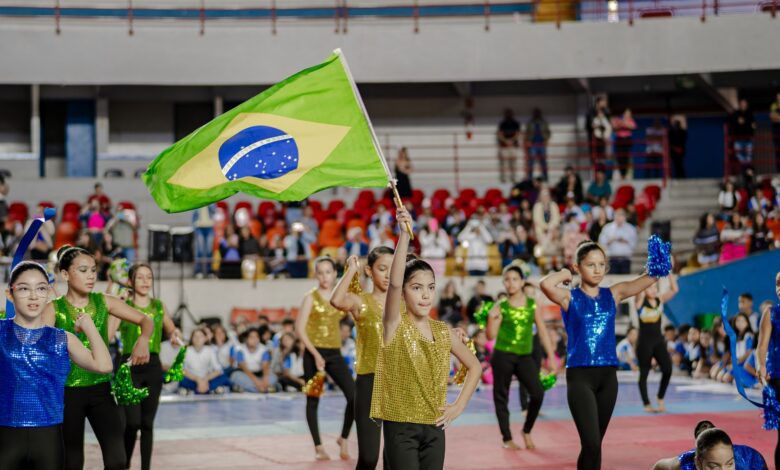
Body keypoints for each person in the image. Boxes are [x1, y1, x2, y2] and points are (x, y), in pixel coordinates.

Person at [370, 207, 480, 469]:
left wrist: (457, 407)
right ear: (405, 293)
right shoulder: (394, 325)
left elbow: (475, 366)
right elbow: (394, 284)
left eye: (430, 288)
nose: (425, 295)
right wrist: (404, 236)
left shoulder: (444, 331)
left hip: (434, 427)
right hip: (401, 428)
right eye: (416, 288)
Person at [540, 240, 666, 470]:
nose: (598, 270)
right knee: (591, 442)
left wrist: (661, 263)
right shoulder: (570, 297)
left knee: (596, 444)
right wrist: (563, 273)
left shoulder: (614, 294)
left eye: (601, 264)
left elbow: (647, 280)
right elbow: (546, 284)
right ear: (578, 267)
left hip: (608, 378)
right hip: (580, 377)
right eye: (590, 264)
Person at [42, 246, 154, 470]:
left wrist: (143, 341)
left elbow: (146, 321)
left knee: (117, 460)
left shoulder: (104, 302)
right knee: (72, 462)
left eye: (93, 270)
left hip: (101, 390)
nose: (91, 275)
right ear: (65, 274)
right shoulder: (54, 309)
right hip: (67, 393)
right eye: (83, 270)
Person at [0, 261, 113, 470]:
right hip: (5, 437)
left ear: (48, 292)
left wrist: (89, 327)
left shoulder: (62, 338)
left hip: (48, 439)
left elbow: (104, 365)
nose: (34, 296)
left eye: (41, 288)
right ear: (10, 294)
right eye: (24, 288)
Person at [331, 246, 398, 469]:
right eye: (382, 268)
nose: (388, 274)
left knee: (395, 456)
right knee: (369, 458)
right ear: (370, 271)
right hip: (369, 382)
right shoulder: (361, 302)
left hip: (399, 382)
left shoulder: (404, 302)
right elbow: (337, 300)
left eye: (392, 268)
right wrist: (351, 270)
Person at [115, 263, 182, 470]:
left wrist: (175, 335)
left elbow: (171, 329)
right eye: (140, 277)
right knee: (132, 423)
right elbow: (109, 333)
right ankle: (125, 462)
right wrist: (115, 307)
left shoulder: (158, 306)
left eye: (149, 277)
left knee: (147, 424)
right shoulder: (123, 305)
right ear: (130, 282)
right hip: (129, 366)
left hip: (153, 366)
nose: (145, 281)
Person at [486, 264, 558, 450]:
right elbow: (490, 336)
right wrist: (491, 319)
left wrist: (551, 357)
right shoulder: (499, 306)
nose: (511, 283)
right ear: (503, 282)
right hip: (502, 355)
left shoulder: (532, 304)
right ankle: (507, 438)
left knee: (538, 393)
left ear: (522, 281)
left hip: (525, 356)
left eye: (515, 279)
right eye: (507, 280)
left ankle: (526, 430)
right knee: (501, 397)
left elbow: (542, 331)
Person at [295, 257, 355, 461]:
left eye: (328, 272)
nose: (324, 277)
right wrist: (316, 355)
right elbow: (300, 330)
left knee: (354, 396)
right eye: (320, 272)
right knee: (313, 400)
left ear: (334, 273)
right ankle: (319, 446)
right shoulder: (310, 298)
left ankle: (344, 438)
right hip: (314, 354)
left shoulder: (339, 296)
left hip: (334, 353)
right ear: (315, 275)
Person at [635, 276, 679, 413]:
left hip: (658, 341)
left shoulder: (660, 300)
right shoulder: (640, 301)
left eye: (655, 287)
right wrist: (644, 283)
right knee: (644, 373)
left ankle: (660, 397)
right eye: (649, 287)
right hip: (644, 343)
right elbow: (638, 289)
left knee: (667, 369)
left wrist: (669, 272)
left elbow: (675, 289)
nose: (653, 290)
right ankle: (646, 403)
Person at [652, 420, 766, 470]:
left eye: (730, 464)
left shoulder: (751, 460)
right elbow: (659, 466)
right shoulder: (683, 464)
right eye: (714, 466)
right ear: (698, 463)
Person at [756, 271, 780, 468]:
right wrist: (761, 366)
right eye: (778, 285)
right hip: (777, 377)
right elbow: (761, 346)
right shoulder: (770, 313)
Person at [179, 328, 230, 394]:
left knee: (224, 378)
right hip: (192, 378)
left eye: (200, 336)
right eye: (195, 336)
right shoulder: (185, 350)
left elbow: (218, 370)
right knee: (180, 379)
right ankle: (211, 389)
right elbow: (182, 370)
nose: (198, 339)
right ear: (191, 338)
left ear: (205, 338)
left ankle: (194, 390)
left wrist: (205, 379)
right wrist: (197, 379)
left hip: (207, 378)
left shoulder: (210, 350)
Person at [598, 208, 638, 274]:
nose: (619, 218)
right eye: (617, 215)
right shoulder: (607, 228)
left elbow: (634, 243)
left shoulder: (631, 228)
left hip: (625, 259)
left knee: (625, 281)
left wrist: (625, 241)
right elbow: (601, 242)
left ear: (625, 217)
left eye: (621, 215)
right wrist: (610, 240)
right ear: (614, 216)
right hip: (612, 259)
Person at [230, 328, 271, 393]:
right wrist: (256, 381)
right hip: (246, 374)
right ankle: (259, 389)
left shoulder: (264, 349)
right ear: (246, 339)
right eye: (251, 337)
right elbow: (244, 368)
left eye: (256, 337)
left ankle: (247, 389)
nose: (254, 340)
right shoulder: (240, 350)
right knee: (235, 376)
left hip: (259, 374)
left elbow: (265, 368)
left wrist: (265, 380)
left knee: (273, 377)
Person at [524, 108, 551, 181]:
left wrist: (546, 139)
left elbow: (548, 132)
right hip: (533, 144)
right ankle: (529, 178)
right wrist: (528, 141)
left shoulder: (543, 122)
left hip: (541, 144)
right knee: (531, 162)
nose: (536, 114)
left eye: (537, 113)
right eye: (535, 113)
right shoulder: (530, 123)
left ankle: (545, 178)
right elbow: (527, 133)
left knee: (543, 162)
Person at [729, 99, 756, 167]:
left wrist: (744, 122)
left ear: (747, 105)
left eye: (744, 104)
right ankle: (747, 169)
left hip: (748, 139)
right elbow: (733, 123)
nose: (743, 105)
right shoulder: (735, 114)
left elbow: (753, 125)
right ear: (739, 105)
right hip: (738, 139)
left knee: (749, 157)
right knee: (738, 155)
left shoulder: (750, 114)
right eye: (742, 104)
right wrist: (747, 123)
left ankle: (747, 172)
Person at [497, 109, 521, 183]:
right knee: (504, 163)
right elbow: (499, 134)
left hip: (513, 146)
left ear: (512, 114)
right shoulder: (502, 124)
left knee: (513, 163)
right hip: (504, 146)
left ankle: (513, 178)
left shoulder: (516, 123)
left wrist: (511, 141)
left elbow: (518, 134)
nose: (508, 115)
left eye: (510, 113)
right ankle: (504, 179)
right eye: (507, 114)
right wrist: (506, 141)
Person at [611, 109, 636, 179]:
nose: (627, 115)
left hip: (627, 140)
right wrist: (622, 124)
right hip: (619, 140)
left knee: (626, 157)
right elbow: (614, 127)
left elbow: (633, 127)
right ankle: (622, 174)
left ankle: (625, 174)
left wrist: (623, 124)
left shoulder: (631, 121)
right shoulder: (619, 119)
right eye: (626, 113)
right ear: (623, 114)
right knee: (619, 158)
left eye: (629, 114)